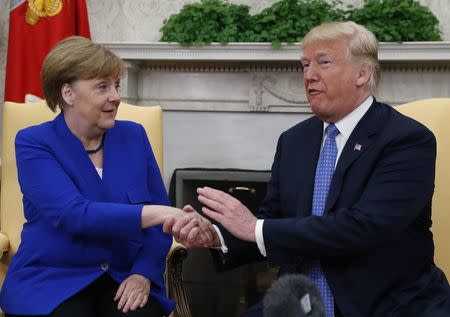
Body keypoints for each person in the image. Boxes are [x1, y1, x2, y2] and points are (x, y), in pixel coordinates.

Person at [167, 21, 450, 316]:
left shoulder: (406, 140)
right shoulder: (294, 141)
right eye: (304, 64)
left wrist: (255, 228)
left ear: (363, 73)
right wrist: (217, 236)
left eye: (323, 62)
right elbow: (273, 224)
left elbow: (363, 228)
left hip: (383, 304)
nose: (309, 76)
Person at [0, 36, 208, 317]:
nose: (116, 96)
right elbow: (73, 214)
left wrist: (143, 273)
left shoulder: (134, 136)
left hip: (123, 275)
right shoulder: (34, 142)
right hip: (52, 279)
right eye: (102, 87)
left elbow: (161, 228)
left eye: (116, 85)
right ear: (68, 93)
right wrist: (159, 212)